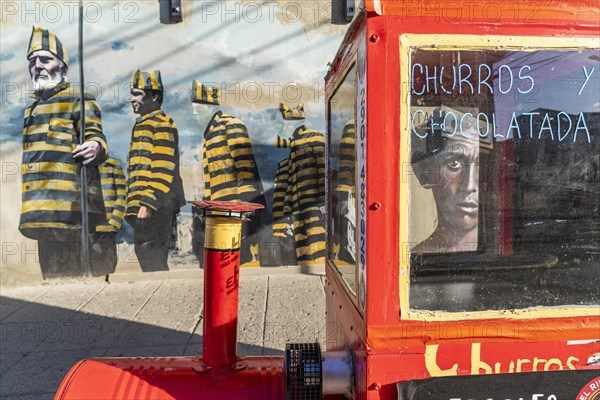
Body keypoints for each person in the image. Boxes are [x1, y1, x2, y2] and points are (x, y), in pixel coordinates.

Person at [19, 26, 108, 278]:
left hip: (72, 212)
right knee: (52, 279)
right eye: (32, 61)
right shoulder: (31, 110)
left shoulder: (79, 98)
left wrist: (95, 147)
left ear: (64, 69)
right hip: (41, 212)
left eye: (45, 59)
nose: (38, 66)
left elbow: (95, 135)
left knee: (74, 278)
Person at [191, 80, 265, 268]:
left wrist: (246, 216)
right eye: (193, 107)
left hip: (235, 214)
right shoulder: (209, 136)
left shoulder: (230, 125)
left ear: (211, 107)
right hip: (220, 215)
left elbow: (246, 169)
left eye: (198, 107)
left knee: (238, 262)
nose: (194, 112)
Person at [125, 69, 185, 271]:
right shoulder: (143, 124)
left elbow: (163, 167)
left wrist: (148, 203)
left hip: (156, 206)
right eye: (132, 93)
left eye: (137, 94)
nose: (132, 99)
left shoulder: (161, 124)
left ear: (155, 96)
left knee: (152, 255)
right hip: (144, 206)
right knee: (145, 254)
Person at [411, 108, 486, 253]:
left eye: (481, 165)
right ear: (423, 173)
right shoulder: (414, 258)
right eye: (454, 164)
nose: (470, 185)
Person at [92, 156, 127, 276]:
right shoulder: (80, 167)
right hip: (86, 230)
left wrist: (114, 223)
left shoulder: (112, 165)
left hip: (107, 229)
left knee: (108, 268)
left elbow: (122, 195)